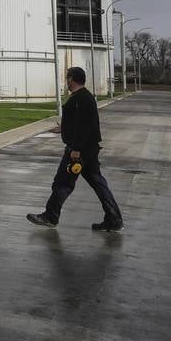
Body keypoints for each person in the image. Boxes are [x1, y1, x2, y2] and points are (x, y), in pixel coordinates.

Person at [27, 66, 125, 231]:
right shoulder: (85, 97)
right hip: (90, 150)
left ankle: (51, 216)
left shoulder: (79, 99)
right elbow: (79, 123)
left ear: (71, 79)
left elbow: (83, 127)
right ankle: (114, 219)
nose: (66, 81)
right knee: (99, 184)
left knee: (62, 183)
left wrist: (76, 149)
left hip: (79, 151)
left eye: (67, 78)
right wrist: (63, 128)